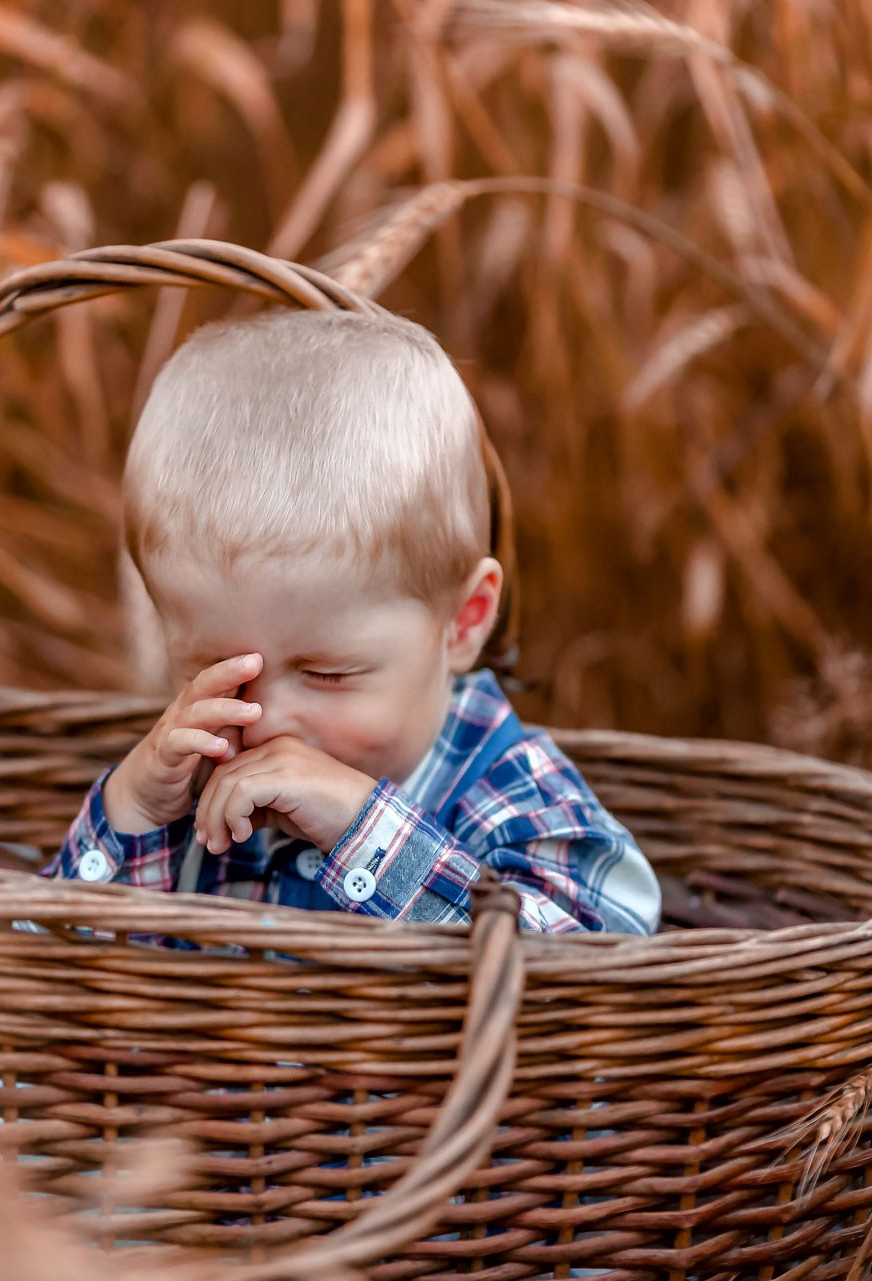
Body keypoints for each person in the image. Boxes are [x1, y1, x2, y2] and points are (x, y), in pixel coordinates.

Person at [42, 309, 658, 935]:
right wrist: (132, 813)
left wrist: (363, 829)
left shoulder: (509, 795)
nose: (267, 719)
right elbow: (45, 981)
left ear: (464, 622)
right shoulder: (181, 780)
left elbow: (600, 974)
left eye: (327, 673)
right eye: (218, 672)